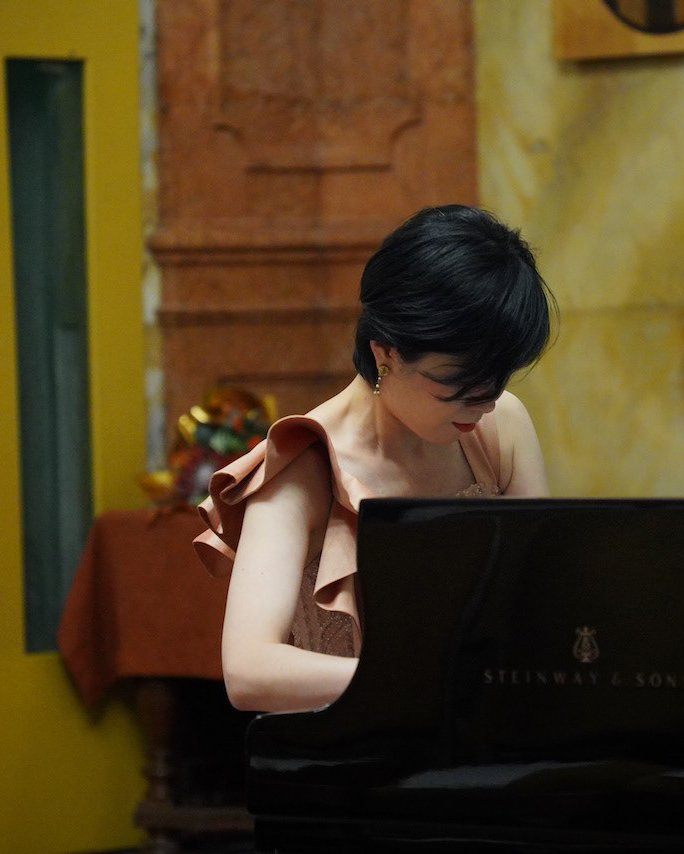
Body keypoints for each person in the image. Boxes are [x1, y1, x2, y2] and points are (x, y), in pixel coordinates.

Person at [193, 205, 556, 713]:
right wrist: (431, 679)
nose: (487, 400)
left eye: (500, 378)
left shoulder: (502, 426)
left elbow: (542, 603)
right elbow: (248, 671)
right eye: (460, 381)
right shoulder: (303, 466)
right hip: (354, 748)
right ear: (385, 352)